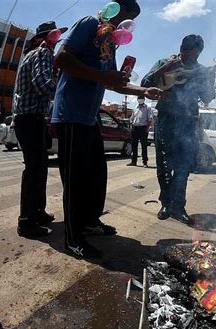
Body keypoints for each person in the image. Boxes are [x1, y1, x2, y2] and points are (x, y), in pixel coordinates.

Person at [52, 0, 162, 258]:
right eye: (125, 13)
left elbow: (115, 84)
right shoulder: (89, 24)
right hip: (70, 114)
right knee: (75, 180)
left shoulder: (111, 43)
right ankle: (72, 238)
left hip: (90, 118)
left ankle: (90, 222)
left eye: (132, 18)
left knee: (97, 174)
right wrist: (103, 77)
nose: (125, 21)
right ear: (114, 8)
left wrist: (143, 90)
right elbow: (61, 58)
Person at [141, 34, 216, 225]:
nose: (191, 57)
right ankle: (166, 203)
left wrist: (209, 78)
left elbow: (207, 97)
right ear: (181, 49)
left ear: (199, 53)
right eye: (187, 51)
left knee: (184, 166)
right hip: (166, 118)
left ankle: (178, 206)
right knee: (164, 164)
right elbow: (145, 84)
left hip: (189, 121)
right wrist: (166, 68)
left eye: (195, 53)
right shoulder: (165, 62)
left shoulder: (200, 71)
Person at [12, 21, 67, 237]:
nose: (56, 43)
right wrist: (65, 95)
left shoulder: (34, 54)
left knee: (40, 167)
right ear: (41, 39)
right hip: (29, 119)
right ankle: (26, 222)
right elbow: (43, 84)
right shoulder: (41, 52)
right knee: (34, 170)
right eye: (53, 38)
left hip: (31, 119)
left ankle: (38, 211)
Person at [127, 97, 153, 168]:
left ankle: (145, 162)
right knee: (134, 145)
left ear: (144, 99)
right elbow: (132, 118)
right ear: (137, 99)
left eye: (141, 98)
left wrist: (147, 129)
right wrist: (131, 125)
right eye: (139, 98)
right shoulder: (135, 107)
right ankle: (133, 161)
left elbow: (150, 119)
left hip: (143, 128)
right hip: (135, 128)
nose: (140, 99)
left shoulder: (147, 108)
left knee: (144, 146)